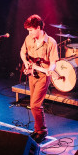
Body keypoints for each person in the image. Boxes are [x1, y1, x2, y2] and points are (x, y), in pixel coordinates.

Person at [19, 14, 60, 143]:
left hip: (43, 76)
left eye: (31, 30)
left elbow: (53, 62)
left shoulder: (51, 42)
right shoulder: (28, 39)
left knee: (34, 104)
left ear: (38, 27)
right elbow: (22, 52)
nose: (29, 33)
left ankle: (42, 131)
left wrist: (50, 69)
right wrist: (26, 62)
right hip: (32, 74)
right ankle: (37, 130)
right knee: (35, 105)